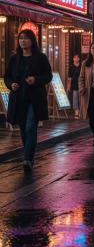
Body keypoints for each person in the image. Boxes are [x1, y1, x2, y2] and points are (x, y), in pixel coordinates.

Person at [4, 29, 53, 172]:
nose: (23, 40)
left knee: (30, 128)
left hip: (34, 99)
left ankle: (28, 159)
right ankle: (29, 156)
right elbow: (7, 76)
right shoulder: (14, 58)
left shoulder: (40, 57)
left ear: (32, 41)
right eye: (20, 38)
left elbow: (48, 76)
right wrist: (11, 84)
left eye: (26, 38)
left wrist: (36, 80)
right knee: (23, 131)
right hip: (18, 98)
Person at [67, 54, 82, 119]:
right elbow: (69, 76)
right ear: (73, 59)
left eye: (77, 57)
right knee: (75, 97)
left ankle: (81, 110)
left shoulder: (81, 66)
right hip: (74, 83)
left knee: (81, 97)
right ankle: (76, 111)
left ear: (79, 59)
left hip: (81, 83)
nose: (76, 58)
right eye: (75, 57)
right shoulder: (71, 67)